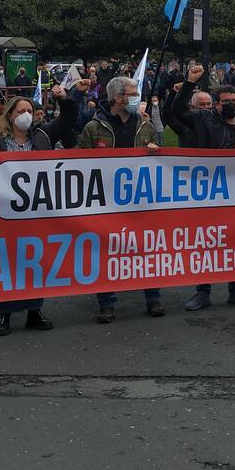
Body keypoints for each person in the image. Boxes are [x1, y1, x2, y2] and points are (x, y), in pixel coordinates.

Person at [0, 85, 77, 335]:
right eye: (21, 110)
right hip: (5, 211)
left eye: (29, 110)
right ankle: (4, 313)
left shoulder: (43, 136)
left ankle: (34, 310)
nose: (26, 114)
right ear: (11, 115)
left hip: (37, 210)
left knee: (35, 260)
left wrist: (64, 99)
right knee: (8, 261)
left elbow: (68, 118)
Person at [172, 65, 235, 310]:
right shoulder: (203, 119)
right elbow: (177, 110)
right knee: (206, 242)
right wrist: (189, 83)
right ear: (217, 104)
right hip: (207, 193)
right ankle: (203, 291)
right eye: (225, 101)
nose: (231, 104)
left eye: (234, 100)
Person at [78, 75, 164, 320]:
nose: (137, 97)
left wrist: (156, 152)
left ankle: (153, 297)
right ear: (118, 98)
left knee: (147, 247)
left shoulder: (144, 126)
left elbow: (160, 160)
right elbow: (82, 162)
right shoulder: (94, 128)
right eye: (133, 93)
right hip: (106, 200)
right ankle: (107, 302)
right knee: (106, 250)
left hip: (140, 198)